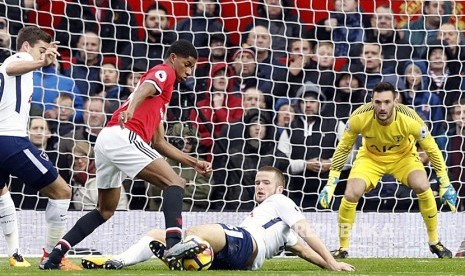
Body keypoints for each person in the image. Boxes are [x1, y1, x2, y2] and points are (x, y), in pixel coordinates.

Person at [40, 40, 212, 270]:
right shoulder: (164, 72)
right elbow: (145, 87)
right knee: (175, 183)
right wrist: (130, 111)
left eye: (193, 68)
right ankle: (173, 245)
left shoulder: (161, 102)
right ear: (173, 58)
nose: (189, 72)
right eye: (187, 64)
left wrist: (194, 161)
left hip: (107, 140)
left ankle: (55, 255)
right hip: (124, 136)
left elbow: (159, 143)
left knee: (105, 210)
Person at [81, 166, 355, 272]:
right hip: (232, 258)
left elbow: (306, 233)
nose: (259, 187)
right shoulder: (278, 226)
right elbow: (304, 251)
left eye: (266, 183)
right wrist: (330, 266)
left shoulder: (281, 202)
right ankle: (121, 260)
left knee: (201, 230)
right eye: (257, 183)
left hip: (247, 243)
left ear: (279, 189)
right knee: (157, 234)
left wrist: (332, 262)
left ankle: (178, 252)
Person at [317, 82, 457, 259]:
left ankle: (434, 242)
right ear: (371, 101)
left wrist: (444, 181)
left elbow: (432, 149)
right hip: (370, 158)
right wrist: (331, 182)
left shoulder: (411, 119)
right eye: (377, 102)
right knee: (351, 193)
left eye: (387, 102)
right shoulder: (359, 116)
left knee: (423, 186)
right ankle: (342, 248)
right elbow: (344, 148)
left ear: (395, 101)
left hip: (403, 157)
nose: (382, 107)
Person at [0, 26, 79, 270]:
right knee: (63, 192)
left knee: (2, 194)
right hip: (11, 140)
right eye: (41, 50)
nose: (44, 55)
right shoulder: (20, 59)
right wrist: (39, 62)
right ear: (26, 46)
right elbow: (11, 66)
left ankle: (15, 254)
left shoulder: (23, 72)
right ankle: (52, 257)